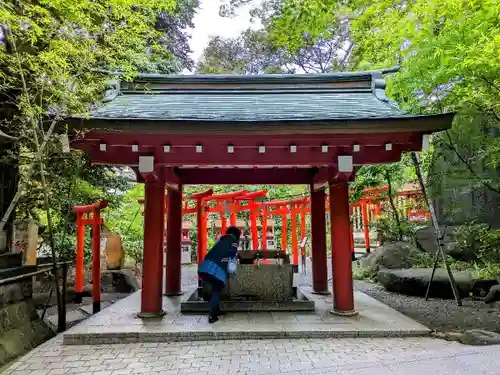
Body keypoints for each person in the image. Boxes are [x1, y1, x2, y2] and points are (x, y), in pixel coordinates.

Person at [198, 226, 241, 324]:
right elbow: (232, 255)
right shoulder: (234, 241)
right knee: (216, 291)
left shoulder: (221, 238)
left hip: (205, 267)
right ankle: (212, 315)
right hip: (217, 269)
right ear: (236, 235)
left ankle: (216, 310)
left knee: (215, 289)